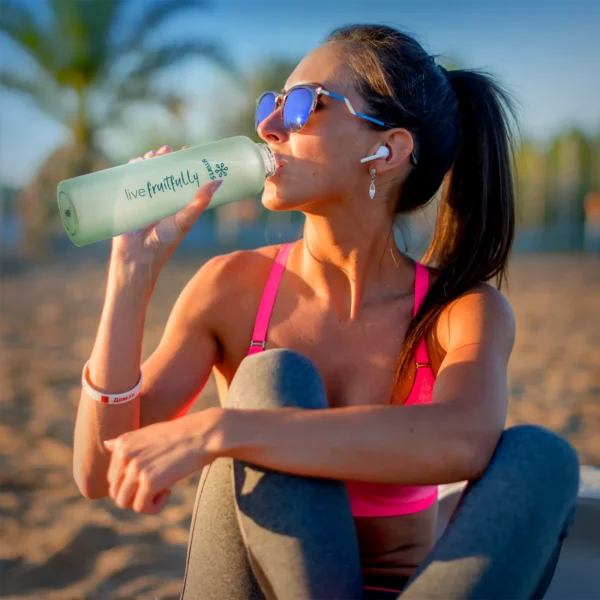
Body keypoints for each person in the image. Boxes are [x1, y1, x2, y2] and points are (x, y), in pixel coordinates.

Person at [73, 24, 580, 600]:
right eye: (270, 103)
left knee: (545, 457)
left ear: (386, 150)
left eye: (298, 105)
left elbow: (465, 439)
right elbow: (98, 472)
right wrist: (130, 276)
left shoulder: (459, 311)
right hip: (254, 589)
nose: (266, 126)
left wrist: (224, 427)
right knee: (271, 377)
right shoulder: (232, 288)